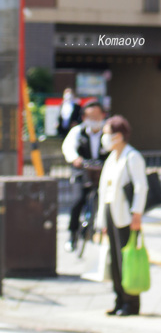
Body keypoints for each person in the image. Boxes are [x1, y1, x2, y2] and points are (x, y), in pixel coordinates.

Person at [96, 115, 148, 317]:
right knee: (114, 260)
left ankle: (131, 303)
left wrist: (137, 213)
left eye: (107, 133)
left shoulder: (132, 157)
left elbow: (141, 187)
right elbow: (104, 190)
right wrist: (102, 221)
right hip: (111, 211)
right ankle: (119, 299)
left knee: (126, 260)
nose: (104, 138)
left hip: (126, 215)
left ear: (118, 136)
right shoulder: (111, 158)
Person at [61, 98, 107, 252]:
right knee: (78, 200)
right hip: (82, 172)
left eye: (97, 116)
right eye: (90, 116)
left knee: (105, 202)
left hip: (102, 173)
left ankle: (99, 231)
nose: (94, 120)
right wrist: (75, 159)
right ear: (84, 117)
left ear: (103, 115)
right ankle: (72, 234)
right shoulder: (77, 132)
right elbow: (68, 148)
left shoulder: (107, 131)